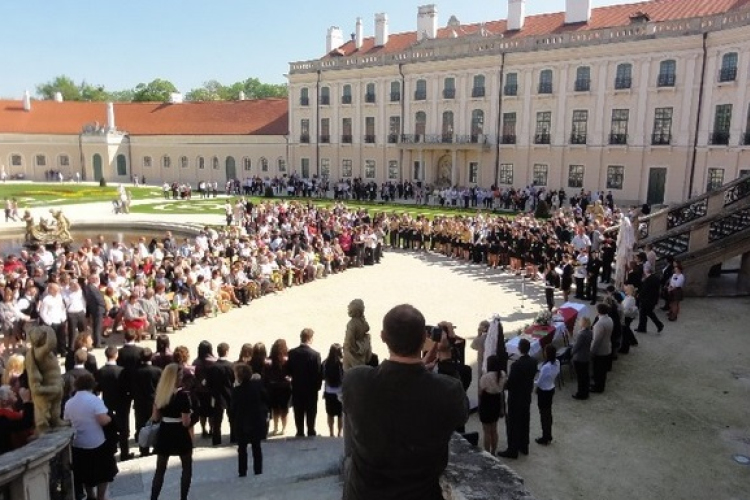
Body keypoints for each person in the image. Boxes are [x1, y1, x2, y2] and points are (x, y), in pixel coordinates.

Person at [342, 304, 467, 500]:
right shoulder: (446, 390)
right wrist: (445, 355)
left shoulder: (355, 380)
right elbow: (460, 414)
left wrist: (418, 372)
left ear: (383, 337)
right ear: (423, 339)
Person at [64, 373, 118, 500]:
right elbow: (103, 420)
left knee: (85, 473)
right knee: (103, 473)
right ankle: (100, 496)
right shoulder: (94, 400)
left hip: (78, 442)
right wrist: (111, 417)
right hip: (96, 441)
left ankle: (90, 495)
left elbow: (66, 421)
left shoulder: (69, 403)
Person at [150, 364, 193, 500]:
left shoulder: (160, 394)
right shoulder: (183, 396)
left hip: (164, 431)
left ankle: (153, 498)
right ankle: (183, 498)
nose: (182, 378)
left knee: (160, 469)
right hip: (179, 432)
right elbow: (186, 422)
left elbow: (155, 417)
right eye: (180, 376)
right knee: (186, 467)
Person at [498, 338, 537, 459]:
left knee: (513, 423)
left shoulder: (516, 365)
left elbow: (511, 383)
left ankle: (512, 449)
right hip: (526, 396)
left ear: (519, 349)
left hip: (516, 398)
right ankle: (524, 446)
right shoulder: (533, 361)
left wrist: (504, 383)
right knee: (525, 421)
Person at [230, 363, 269, 477]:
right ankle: (258, 470)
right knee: (256, 447)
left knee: (242, 448)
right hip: (257, 420)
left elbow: (233, 408)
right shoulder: (257, 386)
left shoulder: (237, 391)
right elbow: (266, 399)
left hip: (242, 422)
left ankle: (242, 471)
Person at [286, 328, 322, 438]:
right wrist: (317, 387)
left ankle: (300, 431)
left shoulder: (292, 353)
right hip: (311, 389)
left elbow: (288, 370)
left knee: (298, 410)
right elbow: (318, 373)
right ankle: (311, 430)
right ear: (310, 339)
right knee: (311, 411)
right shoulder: (315, 355)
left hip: (297, 387)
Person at [95, 347, 128, 460]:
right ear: (116, 355)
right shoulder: (121, 371)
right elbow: (125, 387)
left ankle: (110, 452)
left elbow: (98, 388)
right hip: (121, 402)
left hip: (107, 402)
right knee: (123, 427)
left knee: (109, 428)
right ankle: (124, 452)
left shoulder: (101, 371)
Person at [116, 330, 144, 461]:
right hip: (138, 386)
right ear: (136, 336)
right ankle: (141, 438)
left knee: (123, 417)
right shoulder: (140, 351)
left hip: (123, 388)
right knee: (139, 413)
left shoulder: (120, 352)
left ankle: (124, 448)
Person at [133, 348, 162, 457]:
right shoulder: (157, 371)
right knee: (156, 424)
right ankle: (156, 446)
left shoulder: (136, 371)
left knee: (141, 425)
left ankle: (143, 448)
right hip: (154, 402)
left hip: (139, 402)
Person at [206, 342, 235, 445]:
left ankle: (216, 440)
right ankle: (234, 438)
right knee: (232, 419)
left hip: (217, 396)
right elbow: (234, 381)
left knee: (217, 421)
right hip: (230, 395)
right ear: (226, 352)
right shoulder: (231, 366)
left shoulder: (212, 367)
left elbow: (208, 383)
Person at [478, 354, 507, 455]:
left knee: (486, 431)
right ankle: (493, 451)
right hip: (496, 402)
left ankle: (487, 452)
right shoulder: (502, 374)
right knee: (494, 430)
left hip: (486, 403)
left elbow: (480, 392)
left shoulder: (485, 377)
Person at [535, 345, 560, 445]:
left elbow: (540, 381)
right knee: (548, 413)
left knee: (543, 414)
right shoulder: (557, 363)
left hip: (543, 391)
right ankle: (548, 434)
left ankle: (545, 436)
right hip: (551, 388)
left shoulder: (545, 367)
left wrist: (535, 386)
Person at [266, 339, 291, 436]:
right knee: (284, 409)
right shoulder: (287, 359)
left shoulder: (270, 360)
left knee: (275, 409)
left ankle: (276, 427)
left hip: (273, 387)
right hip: (285, 387)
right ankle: (284, 428)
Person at [0, 385, 34, 454]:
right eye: (11, 392)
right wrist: (26, 401)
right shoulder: (5, 415)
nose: (14, 393)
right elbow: (26, 423)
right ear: (4, 401)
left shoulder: (10, 413)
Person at [591, 303, 614, 394]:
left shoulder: (599, 324)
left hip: (601, 350)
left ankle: (598, 387)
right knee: (602, 370)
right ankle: (599, 385)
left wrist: (592, 351)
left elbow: (596, 340)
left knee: (598, 370)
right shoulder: (609, 319)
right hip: (607, 346)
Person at [322, 343, 344, 437]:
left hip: (329, 391)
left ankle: (331, 432)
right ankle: (339, 433)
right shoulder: (343, 362)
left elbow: (323, 376)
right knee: (340, 414)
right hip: (340, 391)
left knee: (330, 414)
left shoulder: (326, 362)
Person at [635, 264, 664, 334]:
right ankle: (642, 328)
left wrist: (639, 295)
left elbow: (645, 289)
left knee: (647, 313)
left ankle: (659, 325)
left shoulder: (649, 279)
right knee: (644, 313)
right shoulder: (654, 277)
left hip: (648, 299)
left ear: (647, 270)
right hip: (651, 299)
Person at [571, 317, 593, 400]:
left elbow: (576, 347)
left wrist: (571, 353)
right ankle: (585, 391)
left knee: (580, 377)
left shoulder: (581, 334)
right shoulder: (590, 332)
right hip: (586, 355)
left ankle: (581, 393)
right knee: (585, 375)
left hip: (579, 357)